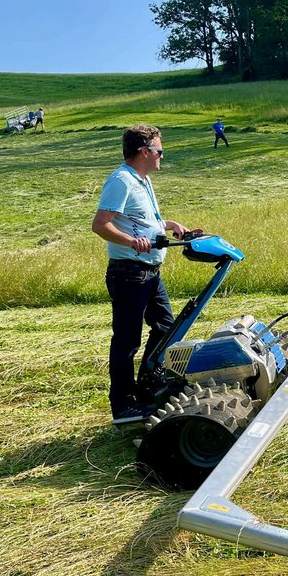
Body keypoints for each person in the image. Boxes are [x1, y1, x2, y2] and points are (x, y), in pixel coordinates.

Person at [91, 124, 201, 425]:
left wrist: (170, 224)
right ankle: (123, 405)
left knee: (167, 328)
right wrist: (130, 242)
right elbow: (101, 224)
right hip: (129, 272)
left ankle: (146, 387)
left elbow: (140, 219)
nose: (162, 156)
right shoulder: (121, 181)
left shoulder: (143, 180)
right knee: (127, 341)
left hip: (150, 271)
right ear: (144, 151)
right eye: (159, 150)